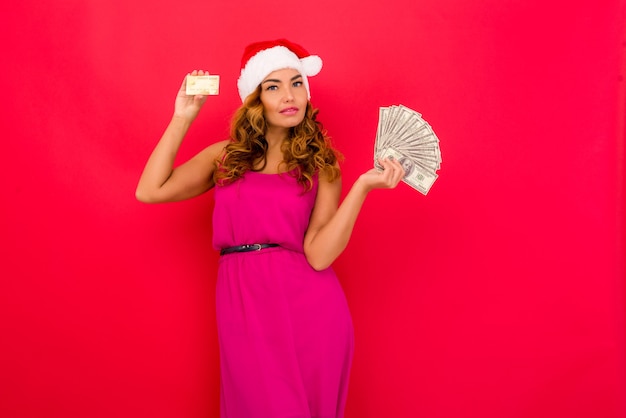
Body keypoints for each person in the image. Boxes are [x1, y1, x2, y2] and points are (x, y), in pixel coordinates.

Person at [136, 39, 405, 418]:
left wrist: (362, 187)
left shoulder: (321, 165)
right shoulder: (225, 157)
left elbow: (319, 254)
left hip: (310, 311)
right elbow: (150, 190)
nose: (288, 95)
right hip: (243, 303)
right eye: (273, 86)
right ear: (255, 99)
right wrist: (183, 117)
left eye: (297, 83)